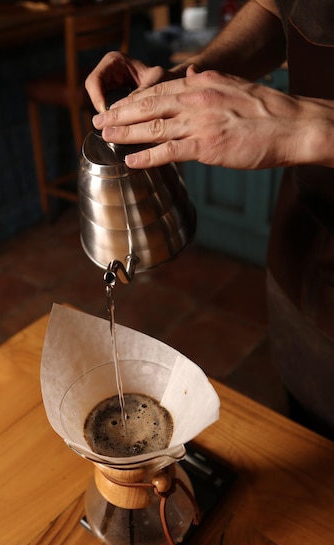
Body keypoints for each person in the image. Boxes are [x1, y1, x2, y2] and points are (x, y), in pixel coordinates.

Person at [85, 0, 334, 439]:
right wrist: (190, 85)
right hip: (305, 248)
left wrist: (314, 127)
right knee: (307, 446)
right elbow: (277, 9)